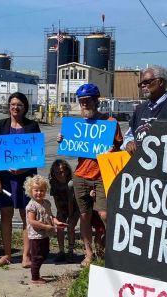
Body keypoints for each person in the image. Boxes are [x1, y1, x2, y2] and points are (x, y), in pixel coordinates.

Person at [56, 83, 123, 267]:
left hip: (102, 175)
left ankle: (112, 249)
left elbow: (120, 148)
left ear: (96, 101)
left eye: (88, 101)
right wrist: (62, 139)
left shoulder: (110, 123)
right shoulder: (77, 125)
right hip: (81, 175)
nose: (85, 104)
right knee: (84, 216)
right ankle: (89, 253)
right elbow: (69, 145)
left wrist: (114, 150)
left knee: (104, 214)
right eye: (81, 101)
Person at [0, 92, 41, 267]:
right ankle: (7, 254)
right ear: (8, 107)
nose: (15, 107)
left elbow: (37, 155)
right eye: (12, 104)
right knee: (6, 214)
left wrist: (23, 169)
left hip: (25, 178)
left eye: (19, 104)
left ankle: (26, 256)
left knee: (26, 215)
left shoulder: (32, 126)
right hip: (4, 178)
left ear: (25, 107)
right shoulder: (0, 126)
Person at [123, 65, 167, 154]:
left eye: (147, 82)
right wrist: (128, 143)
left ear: (160, 82)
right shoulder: (140, 109)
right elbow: (130, 134)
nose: (143, 86)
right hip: (140, 164)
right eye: (141, 84)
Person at [24, 174, 67, 284]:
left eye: (42, 190)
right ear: (30, 191)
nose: (39, 193)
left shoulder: (46, 203)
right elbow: (32, 221)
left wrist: (56, 222)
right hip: (36, 235)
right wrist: (46, 226)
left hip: (45, 234)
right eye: (36, 190)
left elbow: (50, 216)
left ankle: (36, 270)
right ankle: (35, 277)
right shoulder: (31, 205)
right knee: (37, 256)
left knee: (45, 253)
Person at [48, 159, 79, 263]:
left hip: (74, 206)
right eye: (56, 172)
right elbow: (56, 198)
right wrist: (59, 212)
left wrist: (70, 216)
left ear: (66, 171)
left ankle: (70, 251)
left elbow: (71, 201)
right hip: (61, 205)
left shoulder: (71, 182)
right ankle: (61, 251)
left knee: (70, 227)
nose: (59, 174)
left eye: (61, 171)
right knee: (59, 226)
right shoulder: (53, 181)